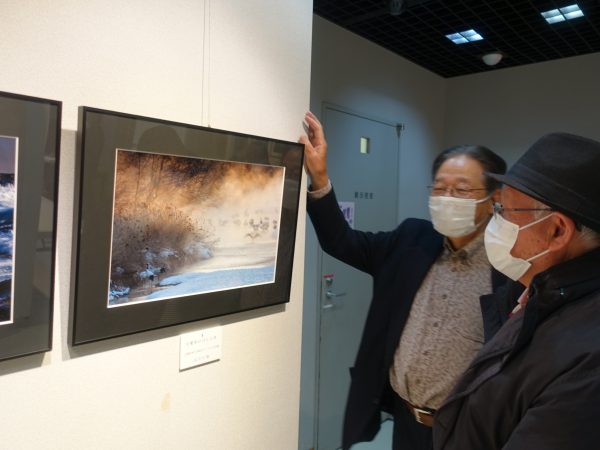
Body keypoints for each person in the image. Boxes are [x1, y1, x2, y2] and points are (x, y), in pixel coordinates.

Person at [300, 112, 520, 450]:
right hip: (407, 423)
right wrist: (319, 178)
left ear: (494, 199)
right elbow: (341, 242)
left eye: (462, 190)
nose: (447, 197)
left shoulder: (512, 267)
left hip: (471, 432)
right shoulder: (411, 240)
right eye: (440, 188)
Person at [433, 132, 600, 450]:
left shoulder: (588, 364)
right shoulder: (542, 293)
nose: (496, 224)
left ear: (557, 230)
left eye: (506, 212)